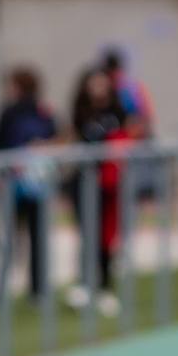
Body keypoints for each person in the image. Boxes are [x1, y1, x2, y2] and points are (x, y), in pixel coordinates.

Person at [0, 66, 59, 301]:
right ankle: (34, 290)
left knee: (15, 238)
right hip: (26, 182)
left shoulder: (20, 112)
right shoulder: (40, 112)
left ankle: (11, 289)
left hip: (25, 182)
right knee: (27, 237)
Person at [64, 66, 128, 317]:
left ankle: (105, 287)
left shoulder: (116, 114)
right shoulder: (81, 114)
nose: (97, 89)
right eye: (93, 84)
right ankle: (84, 284)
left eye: (102, 84)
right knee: (86, 234)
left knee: (104, 236)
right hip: (83, 181)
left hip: (107, 183)